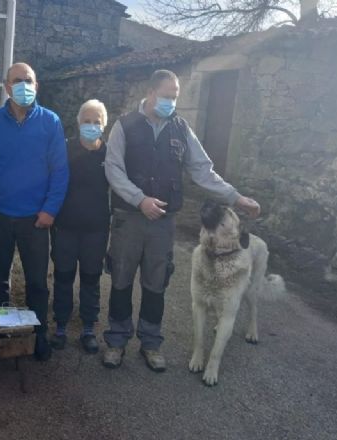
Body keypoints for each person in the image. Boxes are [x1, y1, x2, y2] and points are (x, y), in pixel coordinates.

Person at [102, 69, 261, 372]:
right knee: (121, 279)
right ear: (150, 93)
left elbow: (203, 170)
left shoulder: (181, 129)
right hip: (129, 218)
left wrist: (236, 198)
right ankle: (117, 340)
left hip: (163, 223)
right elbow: (113, 170)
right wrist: (140, 200)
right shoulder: (124, 126)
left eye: (175, 97)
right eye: (167, 96)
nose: (171, 102)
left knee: (156, 283)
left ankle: (151, 343)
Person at [0, 62, 69, 362]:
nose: (23, 86)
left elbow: (60, 171)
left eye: (28, 80)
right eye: (17, 80)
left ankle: (37, 335)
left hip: (36, 219)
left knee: (37, 282)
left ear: (37, 86)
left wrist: (50, 210)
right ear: (6, 86)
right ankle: (3, 335)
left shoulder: (51, 122)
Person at [50, 99, 110, 354]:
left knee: (90, 279)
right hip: (65, 226)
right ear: (78, 122)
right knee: (63, 276)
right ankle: (60, 326)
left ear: (104, 125)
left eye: (97, 122)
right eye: (87, 121)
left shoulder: (111, 156)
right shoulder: (64, 150)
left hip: (96, 229)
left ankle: (88, 328)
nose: (91, 125)